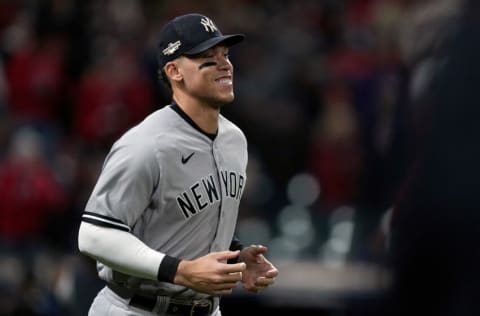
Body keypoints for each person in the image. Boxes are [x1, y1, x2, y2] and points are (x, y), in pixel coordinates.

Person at [77, 13, 279, 316]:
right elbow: (94, 235)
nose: (224, 64)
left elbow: (189, 218)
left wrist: (236, 256)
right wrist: (180, 271)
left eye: (225, 54)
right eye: (207, 58)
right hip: (134, 308)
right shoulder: (146, 144)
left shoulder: (234, 140)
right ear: (174, 70)